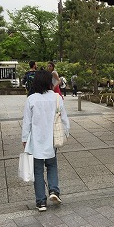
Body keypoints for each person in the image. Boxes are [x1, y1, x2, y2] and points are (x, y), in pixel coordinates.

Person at [21, 70, 70, 212]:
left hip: (35, 141)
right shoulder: (56, 98)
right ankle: (54, 191)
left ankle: (41, 202)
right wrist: (66, 132)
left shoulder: (31, 99)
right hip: (52, 139)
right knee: (52, 165)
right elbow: (64, 119)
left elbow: (27, 123)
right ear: (50, 82)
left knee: (37, 171)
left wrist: (24, 139)